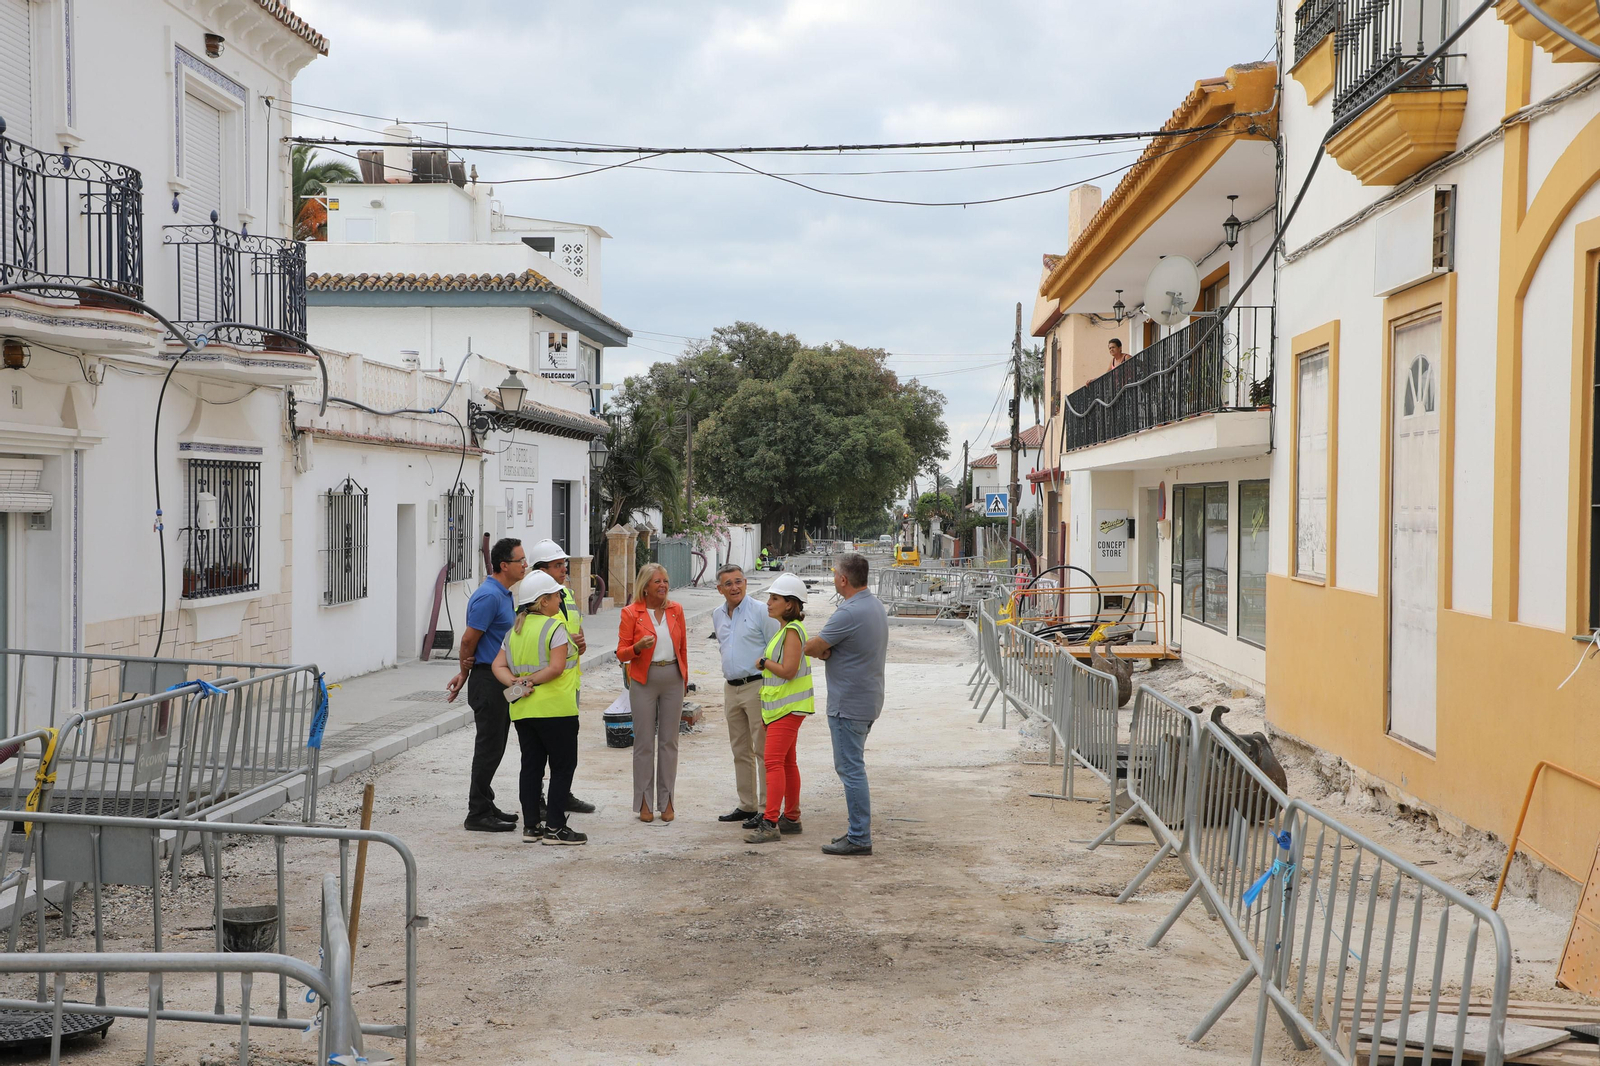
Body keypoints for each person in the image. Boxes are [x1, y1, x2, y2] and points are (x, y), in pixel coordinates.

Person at [492, 571, 586, 845]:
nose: (560, 599)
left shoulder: (515, 631)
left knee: (531, 767)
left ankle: (531, 826)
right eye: (556, 595)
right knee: (562, 767)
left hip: (523, 710)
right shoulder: (553, 628)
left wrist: (516, 683)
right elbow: (556, 668)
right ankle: (556, 828)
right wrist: (530, 680)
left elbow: (498, 665)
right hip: (556, 709)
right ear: (543, 601)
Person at [803, 552, 888, 856]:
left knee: (851, 770)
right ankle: (857, 832)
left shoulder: (849, 612)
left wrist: (821, 650)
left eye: (835, 573)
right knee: (854, 768)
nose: (833, 578)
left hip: (848, 703)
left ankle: (859, 836)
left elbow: (813, 646)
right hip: (867, 698)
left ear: (843, 578)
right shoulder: (873, 605)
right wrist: (829, 651)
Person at [446, 537, 529, 833]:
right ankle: (477, 812)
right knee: (488, 747)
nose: (525, 565)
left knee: (497, 745)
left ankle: (486, 802)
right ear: (504, 565)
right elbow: (469, 640)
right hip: (487, 679)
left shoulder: (504, 593)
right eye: (521, 561)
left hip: (499, 679)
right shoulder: (489, 596)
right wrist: (463, 675)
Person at [522, 539, 596, 819]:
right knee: (538, 755)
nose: (564, 568)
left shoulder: (566, 594)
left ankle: (561, 795)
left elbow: (572, 631)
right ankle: (541, 804)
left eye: (563, 563)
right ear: (540, 570)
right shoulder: (529, 602)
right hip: (544, 684)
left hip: (568, 682)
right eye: (557, 565)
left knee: (564, 754)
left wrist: (580, 643)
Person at [745, 573, 814, 844]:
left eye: (774, 598)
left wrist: (763, 662)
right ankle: (791, 817)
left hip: (788, 709)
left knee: (773, 763)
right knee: (786, 763)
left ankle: (771, 821)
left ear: (789, 604)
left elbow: (788, 671)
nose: (768, 603)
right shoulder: (786, 631)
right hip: (783, 709)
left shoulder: (792, 632)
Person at [617, 563, 687, 822]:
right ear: (645, 586)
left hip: (672, 678)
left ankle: (667, 801)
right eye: (657, 581)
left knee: (669, 742)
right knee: (644, 743)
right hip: (643, 679)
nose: (663, 585)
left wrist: (684, 679)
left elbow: (683, 650)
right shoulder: (631, 613)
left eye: (665, 581)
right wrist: (637, 647)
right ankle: (644, 802)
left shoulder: (676, 610)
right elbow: (621, 652)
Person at [711, 564, 780, 828]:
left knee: (762, 750)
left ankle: (765, 809)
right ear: (720, 589)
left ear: (746, 583)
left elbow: (774, 649)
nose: (734, 587)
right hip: (731, 688)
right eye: (728, 584)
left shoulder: (762, 611)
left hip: (756, 687)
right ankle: (747, 804)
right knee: (740, 749)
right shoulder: (718, 614)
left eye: (738, 581)